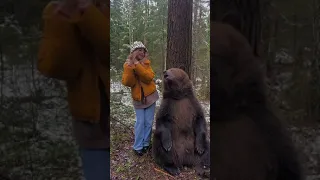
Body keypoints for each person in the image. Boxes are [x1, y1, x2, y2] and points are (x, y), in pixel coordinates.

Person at [37, 0, 110, 179]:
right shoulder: (56, 9)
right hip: (92, 124)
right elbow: (54, 67)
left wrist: (87, 13)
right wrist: (63, 20)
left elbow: (109, 52)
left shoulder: (106, 7)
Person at [122, 41, 159, 156]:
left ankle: (146, 144)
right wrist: (130, 68)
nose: (142, 52)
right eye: (139, 50)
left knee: (148, 122)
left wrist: (137, 65)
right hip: (138, 99)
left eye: (143, 50)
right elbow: (128, 82)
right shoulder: (127, 66)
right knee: (140, 122)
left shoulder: (146, 64)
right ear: (133, 52)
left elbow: (149, 78)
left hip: (150, 97)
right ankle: (138, 146)